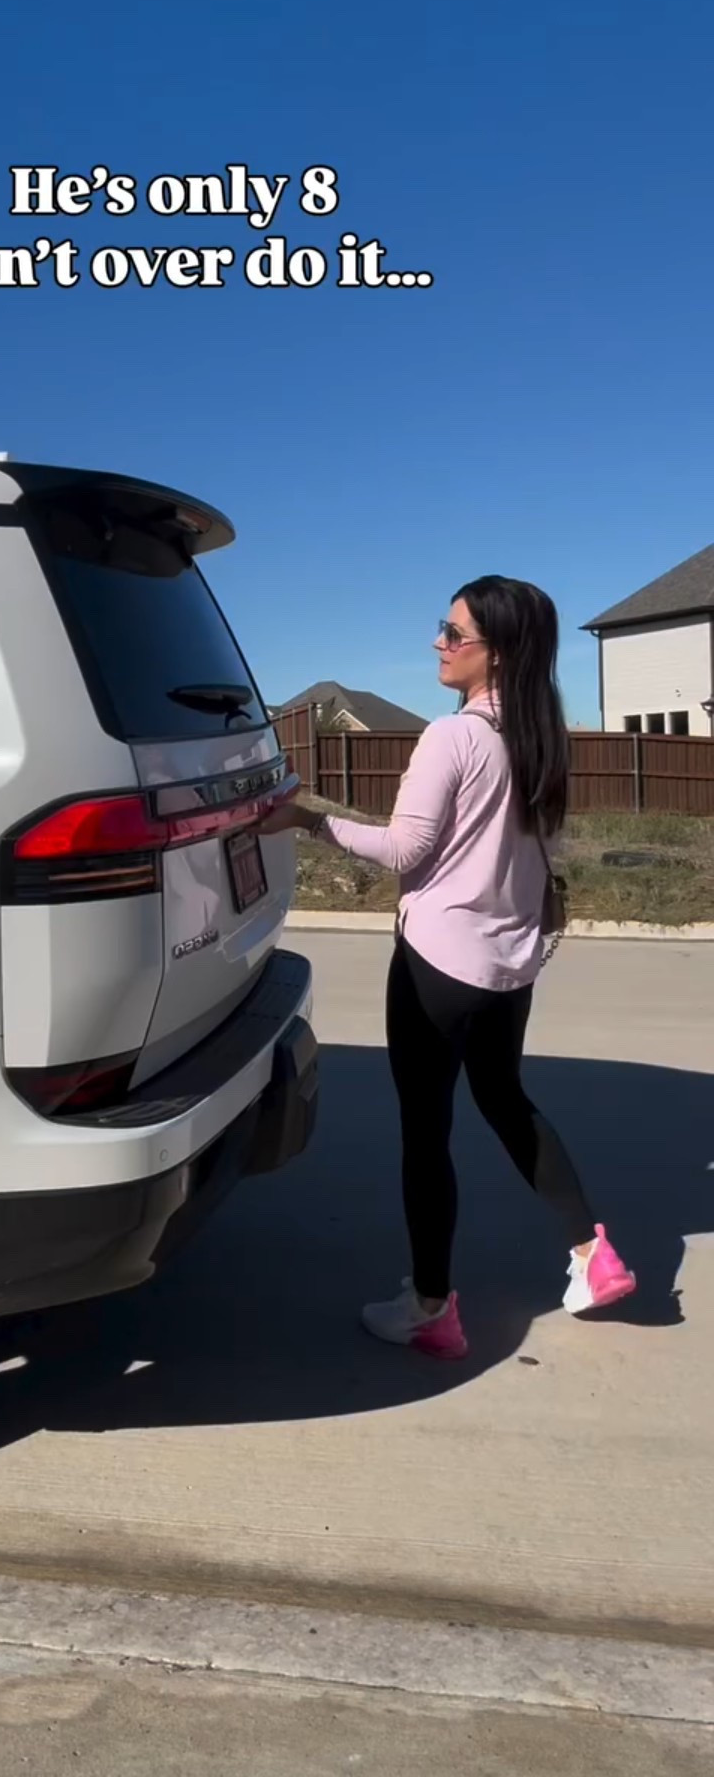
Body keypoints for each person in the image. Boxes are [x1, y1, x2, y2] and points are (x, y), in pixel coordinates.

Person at [262, 577, 636, 1360]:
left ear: (494, 653)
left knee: (426, 1132)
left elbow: (404, 851)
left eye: (454, 632)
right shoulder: (543, 738)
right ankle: (590, 1255)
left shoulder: (453, 738)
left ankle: (432, 1307)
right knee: (507, 1101)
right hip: (511, 964)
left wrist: (308, 820)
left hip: (437, 963)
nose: (439, 642)